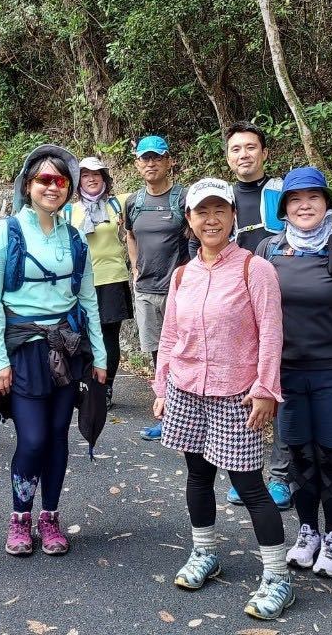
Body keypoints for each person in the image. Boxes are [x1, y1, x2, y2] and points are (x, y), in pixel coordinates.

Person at [154, 177, 294, 620]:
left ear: (234, 216)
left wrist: (266, 388)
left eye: (220, 210)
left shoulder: (256, 269)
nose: (211, 219)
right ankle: (204, 553)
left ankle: (278, 577)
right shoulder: (183, 274)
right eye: (202, 212)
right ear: (189, 220)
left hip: (237, 394)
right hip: (186, 389)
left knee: (249, 485)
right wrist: (161, 386)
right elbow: (170, 335)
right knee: (197, 476)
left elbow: (271, 333)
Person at [254, 167, 332, 579]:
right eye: (295, 199)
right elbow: (254, 313)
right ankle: (307, 531)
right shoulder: (269, 250)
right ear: (284, 209)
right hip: (287, 373)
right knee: (299, 454)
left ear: (327, 204)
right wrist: (259, 374)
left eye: (313, 197)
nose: (304, 205)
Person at [0, 145, 107, 557]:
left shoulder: (74, 236)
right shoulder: (7, 232)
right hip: (24, 351)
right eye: (44, 180)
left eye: (60, 180)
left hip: (66, 349)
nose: (53, 187)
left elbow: (87, 299)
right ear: (28, 185)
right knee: (33, 439)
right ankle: (20, 517)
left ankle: (49, 517)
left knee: (56, 438)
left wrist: (100, 355)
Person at [222, 121, 292, 509]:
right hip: (236, 306)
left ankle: (281, 476)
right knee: (241, 389)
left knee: (276, 387)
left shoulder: (283, 193)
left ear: (264, 153)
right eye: (236, 149)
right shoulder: (220, 198)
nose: (243, 155)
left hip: (280, 301)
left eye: (250, 147)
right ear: (228, 157)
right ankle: (246, 473)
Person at [122, 135, 188, 441]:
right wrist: (136, 267)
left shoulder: (182, 199)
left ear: (169, 161)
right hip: (146, 290)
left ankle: (184, 416)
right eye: (145, 158)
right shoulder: (133, 202)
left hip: (179, 291)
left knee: (183, 353)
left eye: (157, 158)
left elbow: (197, 236)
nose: (151, 164)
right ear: (137, 164)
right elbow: (130, 235)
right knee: (158, 356)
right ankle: (168, 416)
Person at [64, 156, 132, 406]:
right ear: (78, 181)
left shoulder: (118, 204)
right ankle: (83, 384)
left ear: (104, 178)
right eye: (85, 175)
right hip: (80, 280)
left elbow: (150, 195)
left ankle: (105, 387)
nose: (91, 179)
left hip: (112, 278)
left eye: (96, 174)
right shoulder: (68, 210)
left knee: (108, 336)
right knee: (80, 334)